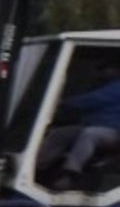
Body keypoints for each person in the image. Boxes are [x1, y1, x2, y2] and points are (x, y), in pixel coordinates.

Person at [39, 59, 120, 188]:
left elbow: (94, 100)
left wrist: (63, 103)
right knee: (59, 133)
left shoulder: (116, 87)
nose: (101, 72)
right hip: (94, 126)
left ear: (116, 70)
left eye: (105, 69)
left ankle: (71, 174)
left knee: (90, 134)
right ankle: (38, 168)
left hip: (114, 132)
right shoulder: (102, 85)